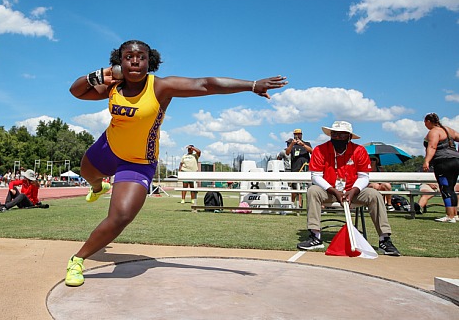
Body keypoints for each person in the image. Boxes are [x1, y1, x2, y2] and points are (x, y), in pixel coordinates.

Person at [64, 39, 288, 287]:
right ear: (119, 62)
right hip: (107, 148)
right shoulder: (113, 86)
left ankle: (77, 260)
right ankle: (98, 187)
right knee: (87, 174)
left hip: (138, 162)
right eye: (128, 56)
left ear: (150, 62)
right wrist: (101, 74)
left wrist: (252, 85)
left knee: (121, 216)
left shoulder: (161, 87)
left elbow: (205, 84)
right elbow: (77, 91)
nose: (135, 60)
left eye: (141, 57)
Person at [296, 121, 400, 256]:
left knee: (374, 194)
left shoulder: (359, 150)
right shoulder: (320, 149)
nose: (338, 138)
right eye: (334, 134)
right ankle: (315, 236)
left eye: (342, 135)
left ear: (349, 137)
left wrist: (353, 191)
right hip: (329, 191)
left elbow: (364, 176)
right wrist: (333, 190)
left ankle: (384, 239)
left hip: (354, 191)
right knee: (312, 191)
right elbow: (316, 176)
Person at [422, 113, 459, 223]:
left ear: (428, 121)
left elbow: (432, 146)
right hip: (455, 161)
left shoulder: (434, 132)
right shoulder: (448, 130)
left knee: (445, 188)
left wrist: (426, 161)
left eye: (425, 122)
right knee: (451, 189)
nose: (425, 125)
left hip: (443, 162)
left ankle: (449, 216)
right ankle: (455, 214)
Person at [285, 129, 312, 208]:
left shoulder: (307, 143)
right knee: (295, 188)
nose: (297, 136)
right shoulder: (291, 144)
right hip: (295, 169)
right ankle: (294, 204)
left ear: (301, 135)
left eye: (299, 134)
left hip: (306, 168)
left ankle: (309, 205)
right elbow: (287, 152)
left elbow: (312, 151)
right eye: (296, 134)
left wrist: (303, 145)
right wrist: (292, 144)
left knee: (309, 188)